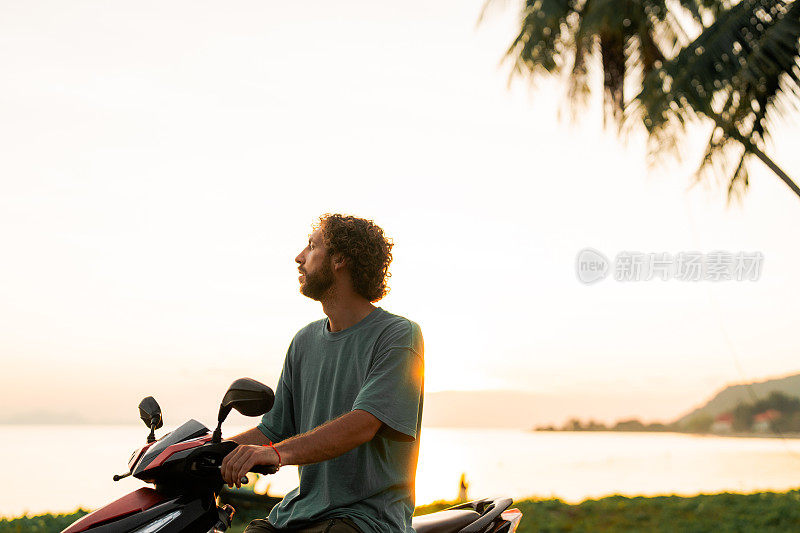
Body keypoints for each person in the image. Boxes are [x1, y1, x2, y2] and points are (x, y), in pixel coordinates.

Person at [221, 214, 424, 533]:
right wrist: (202, 453)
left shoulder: (398, 334)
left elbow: (364, 424)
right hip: (296, 512)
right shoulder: (304, 340)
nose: (299, 257)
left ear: (340, 259)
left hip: (364, 518)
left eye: (312, 246)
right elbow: (274, 430)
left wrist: (274, 455)